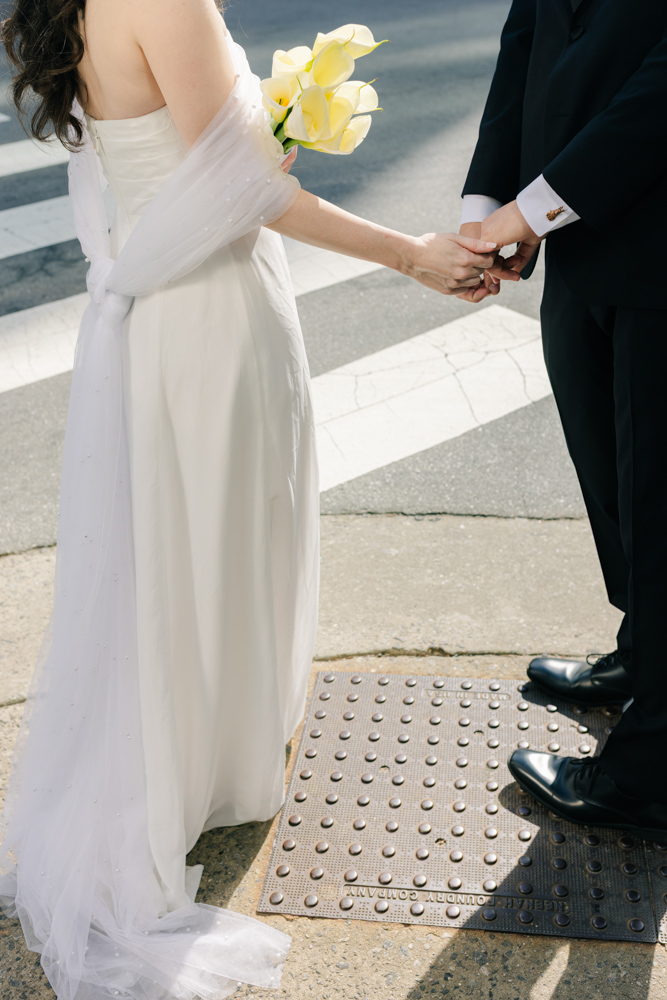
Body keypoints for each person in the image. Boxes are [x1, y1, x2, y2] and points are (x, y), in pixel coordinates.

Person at [0, 1, 502, 997]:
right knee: (223, 538)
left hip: (157, 312)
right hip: (210, 310)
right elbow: (244, 189)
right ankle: (213, 762)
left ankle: (201, 754)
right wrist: (412, 254)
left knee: (180, 547)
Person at [459, 0, 667, 838]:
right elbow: (529, 41)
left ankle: (648, 774)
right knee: (611, 474)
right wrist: (488, 206)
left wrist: (532, 209)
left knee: (659, 503)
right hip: (578, 248)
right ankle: (646, 656)